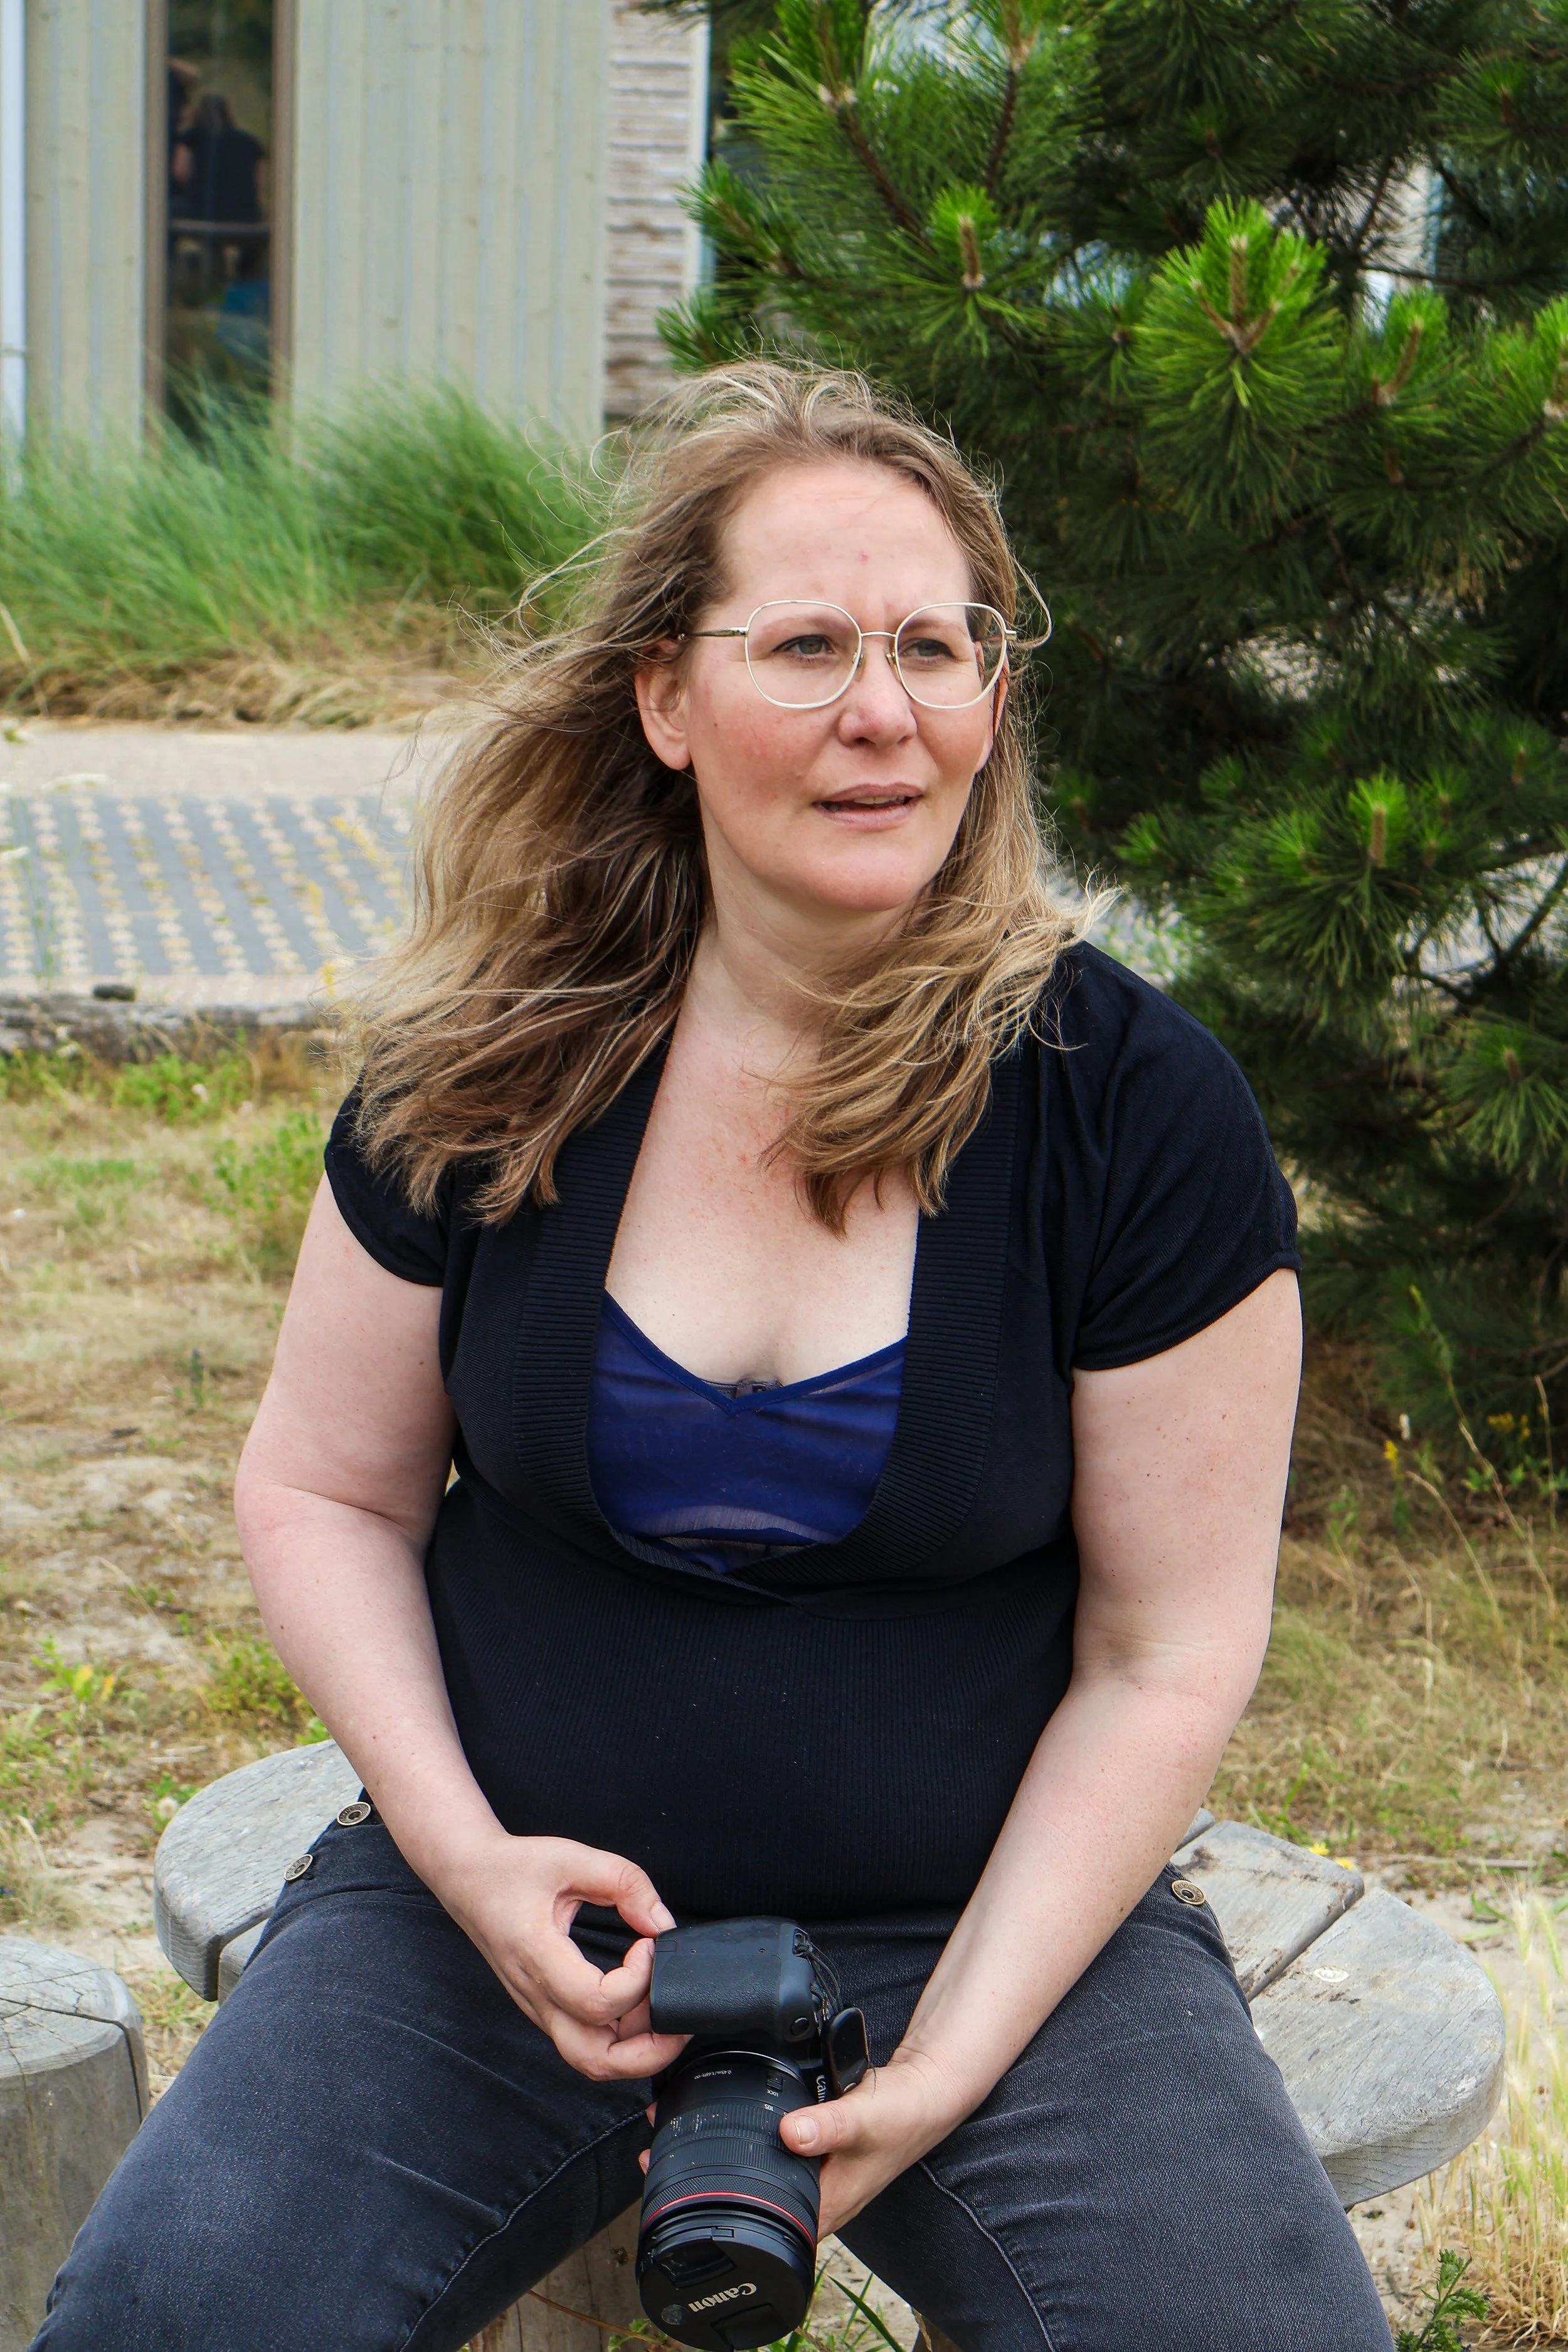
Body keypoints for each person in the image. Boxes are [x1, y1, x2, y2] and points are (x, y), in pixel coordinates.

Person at [33, 365, 1390, 2352]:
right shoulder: (487, 1065)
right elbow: (322, 1484)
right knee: (168, 2318)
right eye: (809, 644)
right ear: (665, 697)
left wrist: (947, 2061)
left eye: (934, 645)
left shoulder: (1134, 1108)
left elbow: (1162, 1654)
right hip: (497, 1921)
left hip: (985, 1932)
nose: (881, 709)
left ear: (990, 699)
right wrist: (469, 1857)